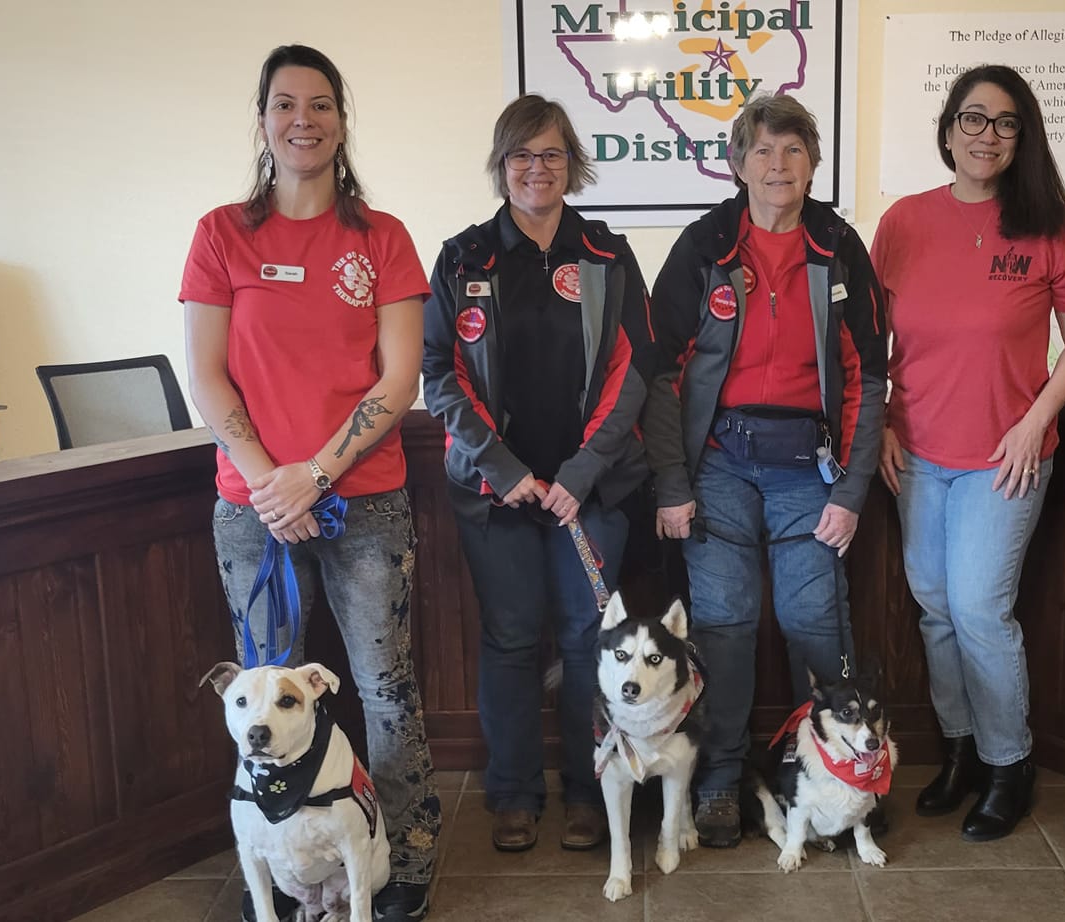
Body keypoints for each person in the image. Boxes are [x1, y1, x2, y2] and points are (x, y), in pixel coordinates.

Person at [179, 44, 440, 922]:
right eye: (286, 104)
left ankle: (403, 859)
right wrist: (269, 484)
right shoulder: (221, 234)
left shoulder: (384, 238)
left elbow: (397, 382)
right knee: (267, 698)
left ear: (341, 120)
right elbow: (207, 376)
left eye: (322, 104)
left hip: (365, 502)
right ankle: (291, 864)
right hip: (253, 511)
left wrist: (315, 476)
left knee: (385, 689)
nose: (304, 120)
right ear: (263, 120)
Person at [639, 92, 887, 848]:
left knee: (815, 620)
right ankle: (718, 781)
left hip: (808, 469)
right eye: (763, 151)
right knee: (725, 625)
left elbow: (867, 378)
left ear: (813, 164)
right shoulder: (705, 246)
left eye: (794, 151)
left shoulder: (839, 245)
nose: (778, 165)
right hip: (717, 467)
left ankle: (845, 781)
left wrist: (849, 493)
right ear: (738, 162)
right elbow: (660, 373)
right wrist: (673, 484)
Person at [871, 64, 1065, 842]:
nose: (987, 135)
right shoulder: (903, 221)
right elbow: (872, 342)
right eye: (973, 119)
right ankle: (962, 751)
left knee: (978, 609)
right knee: (935, 610)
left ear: (1023, 135)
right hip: (917, 451)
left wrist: (1036, 420)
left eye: (1005, 122)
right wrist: (883, 423)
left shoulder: (1054, 225)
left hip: (1005, 456)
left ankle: (1011, 763)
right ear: (947, 131)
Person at [419, 95, 649, 854]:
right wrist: (504, 468)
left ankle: (589, 791)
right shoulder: (463, 257)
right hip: (500, 494)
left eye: (551, 154)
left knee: (589, 639)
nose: (536, 168)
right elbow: (439, 376)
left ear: (572, 163)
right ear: (501, 164)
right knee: (513, 638)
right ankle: (513, 794)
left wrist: (580, 472)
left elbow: (635, 372)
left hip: (593, 491)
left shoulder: (609, 256)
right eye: (521, 154)